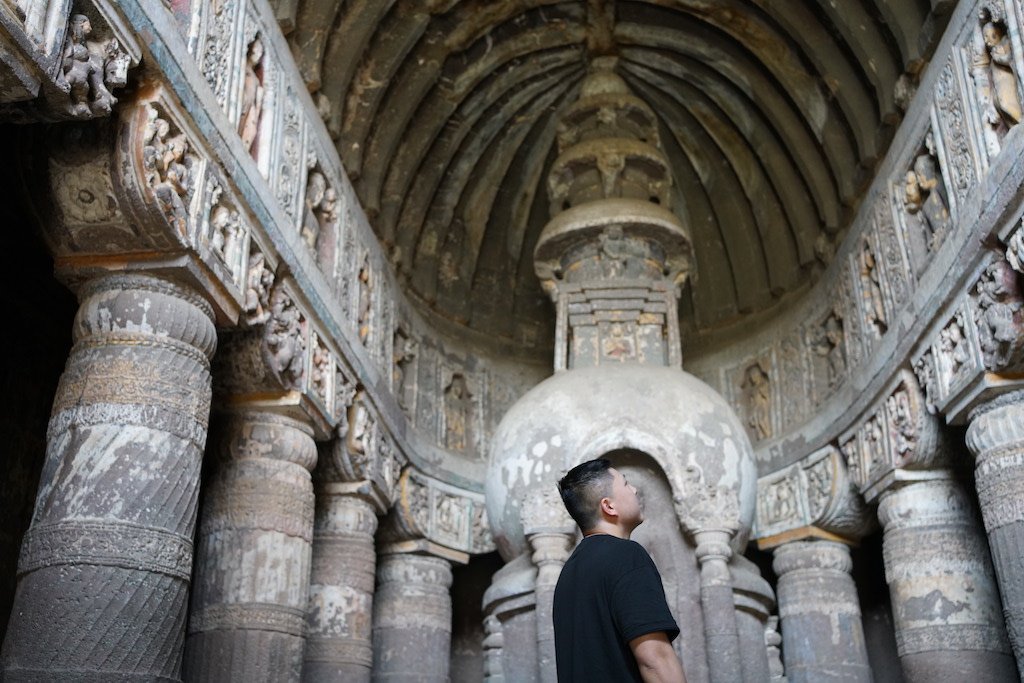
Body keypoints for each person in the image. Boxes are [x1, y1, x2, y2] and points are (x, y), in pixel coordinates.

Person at [553, 458, 687, 682]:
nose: (634, 490)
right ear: (609, 506)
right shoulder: (626, 556)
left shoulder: (567, 575)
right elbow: (655, 660)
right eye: (626, 484)